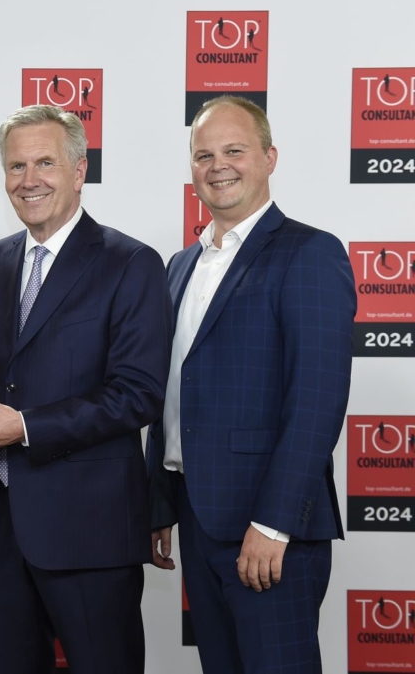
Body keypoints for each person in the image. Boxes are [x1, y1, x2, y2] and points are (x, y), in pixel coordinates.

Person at [0, 104, 173, 673]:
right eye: (16, 166)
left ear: (79, 170)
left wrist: (23, 428)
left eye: (45, 162)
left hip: (88, 534)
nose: (29, 180)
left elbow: (137, 393)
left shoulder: (131, 262)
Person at [147, 96, 355, 673]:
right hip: (196, 516)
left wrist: (274, 522)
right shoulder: (179, 266)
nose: (218, 166)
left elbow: (317, 400)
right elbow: (172, 392)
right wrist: (159, 502)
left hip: (268, 530)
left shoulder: (309, 252)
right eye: (203, 155)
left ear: (269, 157)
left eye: (234, 150)